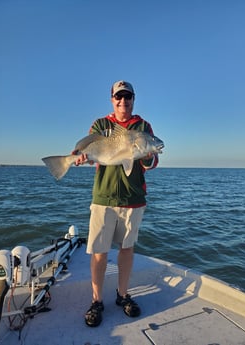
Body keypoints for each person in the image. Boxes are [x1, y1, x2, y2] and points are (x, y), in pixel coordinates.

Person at [74, 80, 159, 327]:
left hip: (133, 200)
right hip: (104, 199)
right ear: (112, 99)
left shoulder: (143, 127)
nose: (123, 101)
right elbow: (88, 148)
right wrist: (79, 156)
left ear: (134, 99)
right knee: (99, 253)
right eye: (118, 97)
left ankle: (123, 296)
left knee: (127, 249)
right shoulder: (101, 124)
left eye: (128, 97)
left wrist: (149, 154)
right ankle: (96, 301)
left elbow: (150, 164)